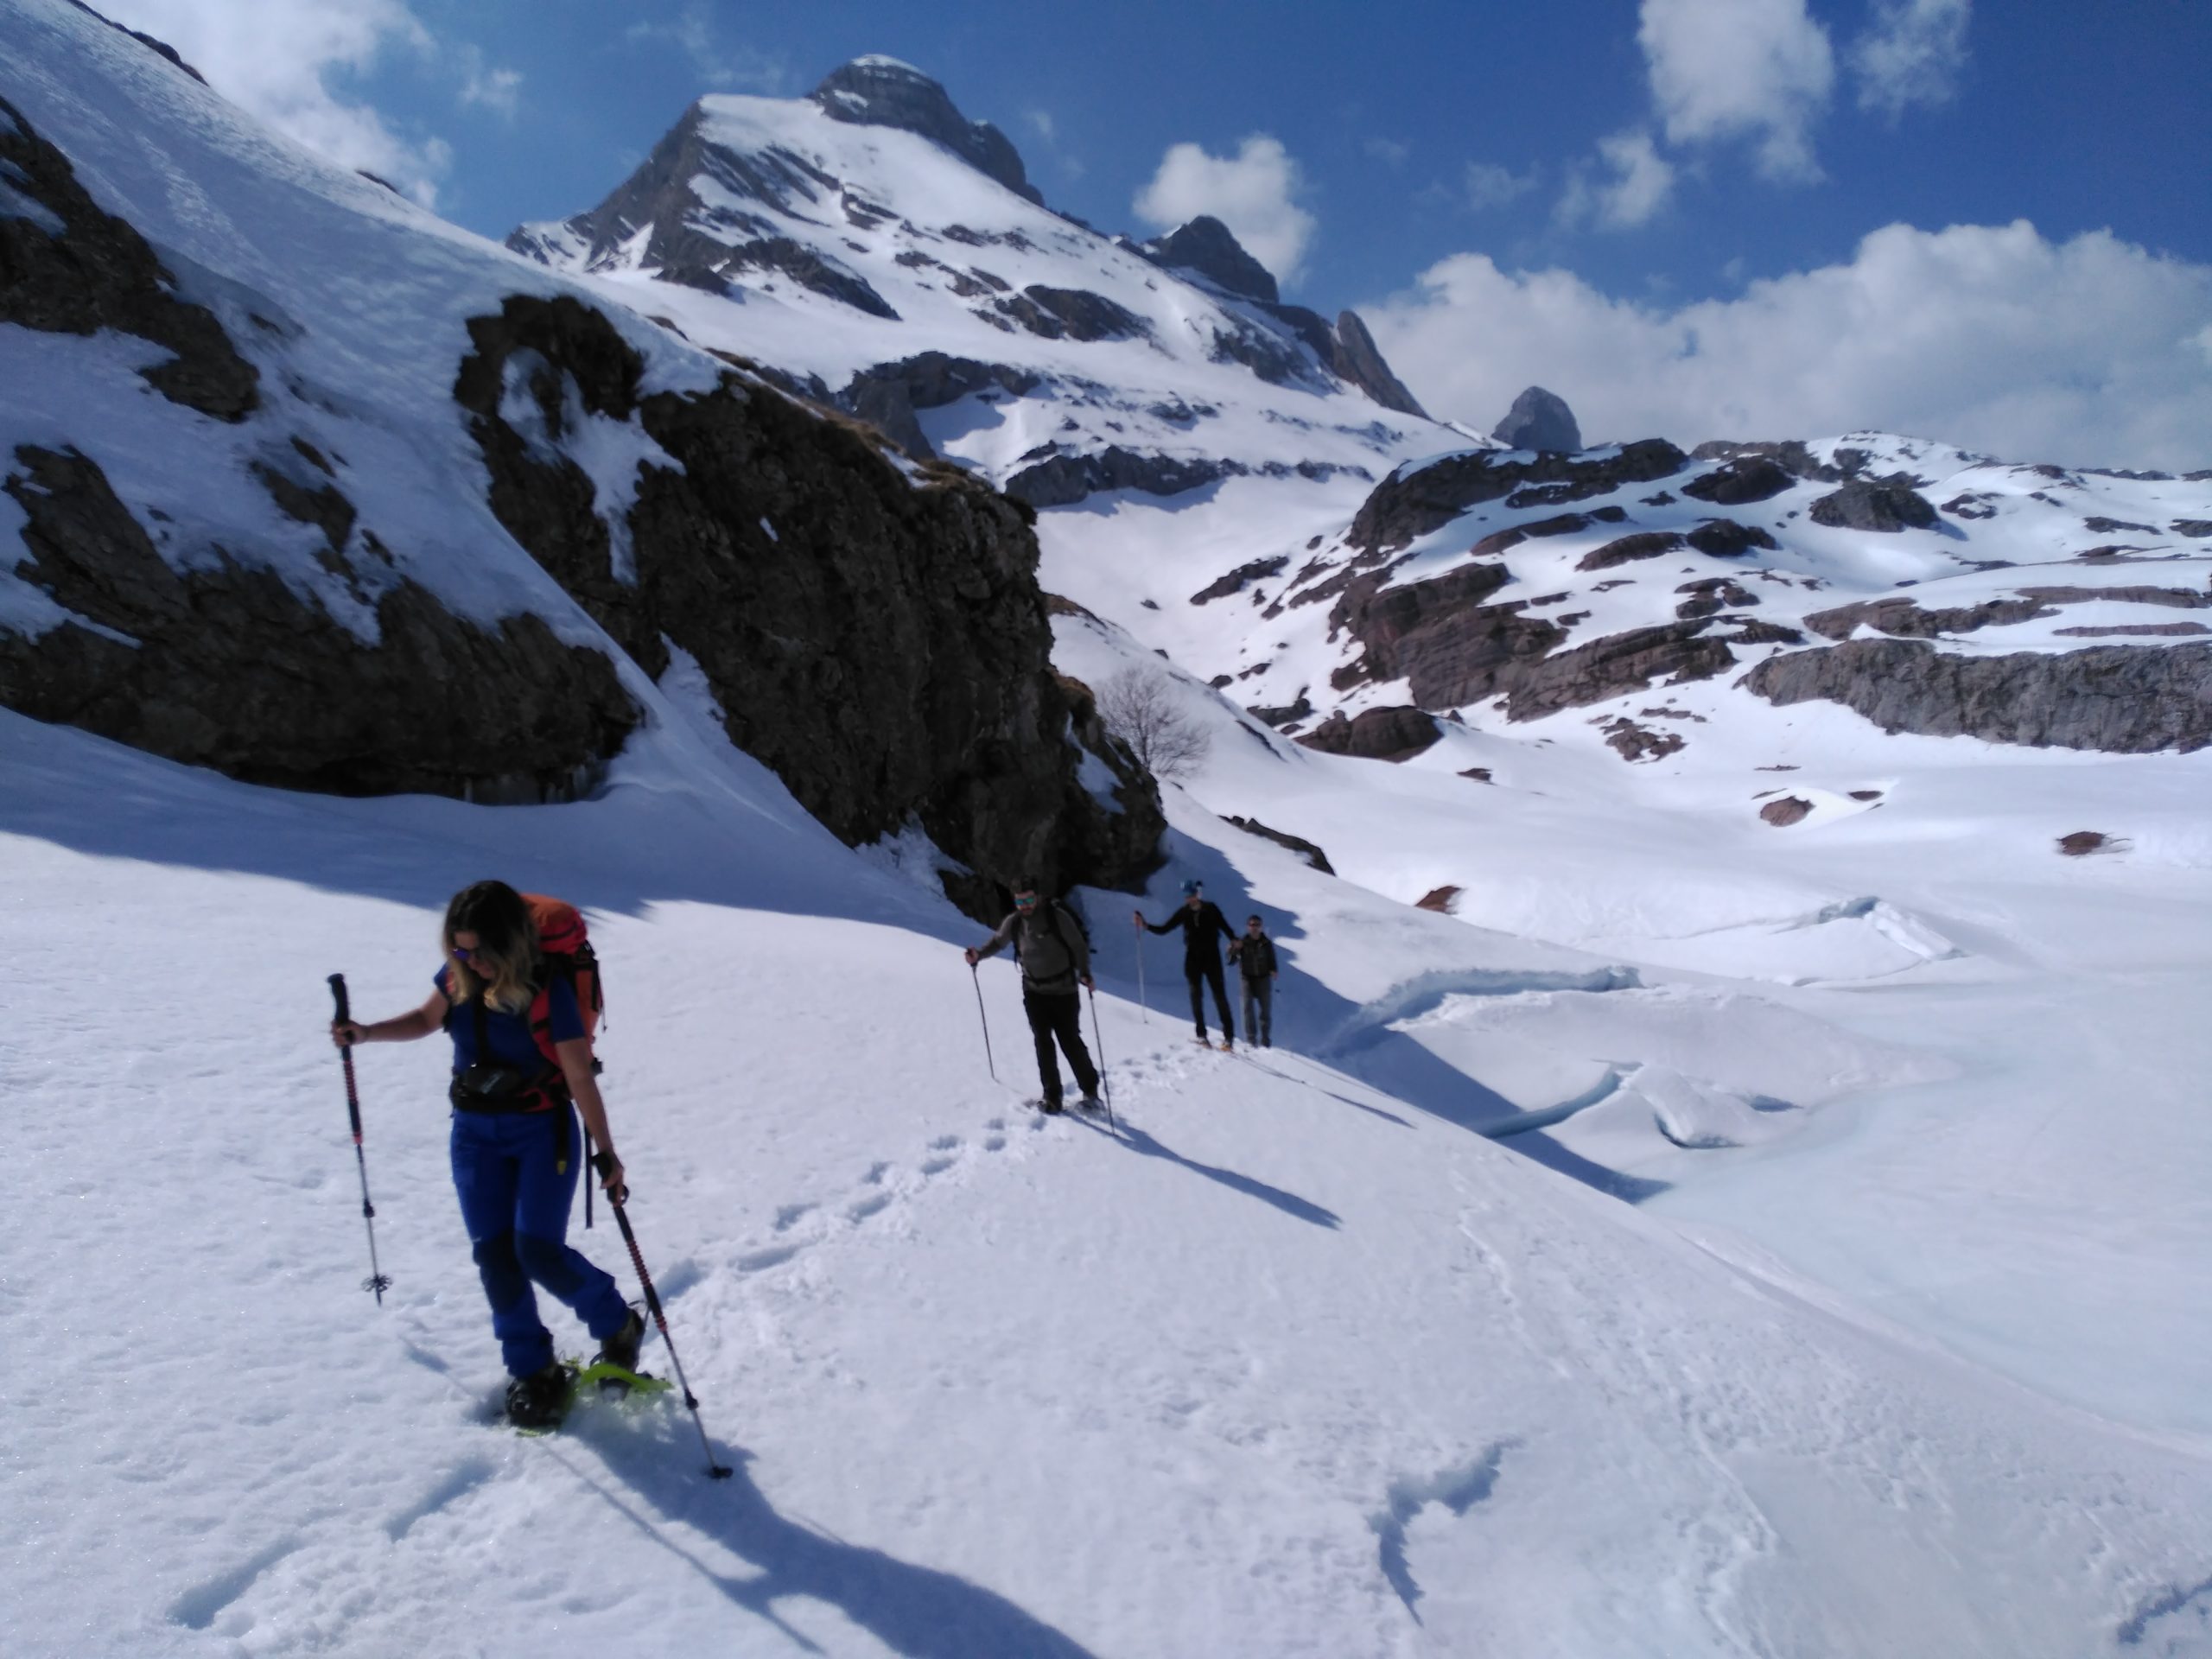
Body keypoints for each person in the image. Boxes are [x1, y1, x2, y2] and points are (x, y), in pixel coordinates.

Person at [329, 880, 642, 1427]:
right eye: (459, 948)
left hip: (542, 1132)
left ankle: (617, 1322)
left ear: (511, 944)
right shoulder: (457, 981)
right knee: (495, 1256)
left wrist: (607, 1154)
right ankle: (533, 1370)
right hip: (474, 1135)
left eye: (480, 950)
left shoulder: (549, 993)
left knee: (537, 1251)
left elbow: (577, 1074)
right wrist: (366, 1033)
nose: (469, 960)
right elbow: (426, 1021)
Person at [966, 875, 1102, 1115]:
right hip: (1033, 990)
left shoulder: (1056, 916)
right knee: (1042, 1041)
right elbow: (998, 942)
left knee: (1069, 1040)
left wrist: (1085, 973)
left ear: (1037, 897)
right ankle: (1052, 1096)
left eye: (1028, 899)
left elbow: (1078, 945)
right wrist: (978, 954)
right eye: (1020, 901)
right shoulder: (1015, 922)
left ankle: (1090, 1090)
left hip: (1064, 991)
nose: (1025, 905)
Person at [1135, 879, 1238, 1050]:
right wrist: (1145, 925)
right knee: (1195, 997)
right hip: (1193, 959)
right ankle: (1201, 1035)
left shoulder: (1211, 909)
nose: (1189, 899)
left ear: (1198, 894)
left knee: (1219, 996)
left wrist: (1234, 941)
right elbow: (1165, 929)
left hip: (1212, 958)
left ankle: (1228, 1037)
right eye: (1187, 896)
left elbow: (1225, 928)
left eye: (1192, 895)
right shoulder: (1184, 913)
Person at [1229, 914, 1279, 1047]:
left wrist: (1273, 970)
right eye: (1252, 925)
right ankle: (1251, 1039)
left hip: (1263, 978)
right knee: (1247, 1007)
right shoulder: (1243, 942)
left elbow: (1271, 959)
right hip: (1247, 978)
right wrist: (1234, 949)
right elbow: (1230, 961)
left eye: (1257, 925)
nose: (1254, 928)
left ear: (1261, 927)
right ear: (1248, 927)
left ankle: (1265, 1039)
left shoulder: (1266, 943)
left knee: (1265, 1010)